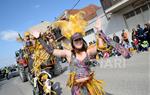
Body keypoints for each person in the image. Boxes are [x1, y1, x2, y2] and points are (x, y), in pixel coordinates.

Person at [30, 12, 105, 95]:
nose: (78, 41)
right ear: (72, 42)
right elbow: (51, 51)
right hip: (78, 89)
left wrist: (99, 30)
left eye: (80, 39)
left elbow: (100, 47)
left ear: (82, 40)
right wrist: (40, 39)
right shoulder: (68, 54)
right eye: (76, 40)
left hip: (90, 86)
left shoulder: (87, 51)